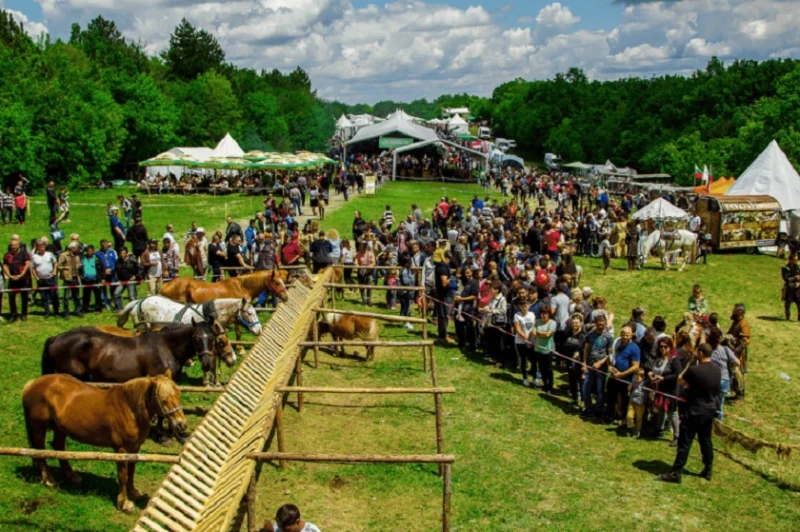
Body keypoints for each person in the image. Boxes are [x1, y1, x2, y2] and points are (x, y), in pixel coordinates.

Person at [659, 343, 720, 483]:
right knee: (705, 440)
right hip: (709, 410)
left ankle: (676, 472)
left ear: (701, 353)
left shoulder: (694, 370)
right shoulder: (718, 369)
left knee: (685, 442)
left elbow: (680, 379)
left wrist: (690, 363)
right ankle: (708, 469)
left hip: (693, 410)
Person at [650, 336, 682, 446]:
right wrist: (651, 374)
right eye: (660, 346)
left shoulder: (674, 360)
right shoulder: (659, 359)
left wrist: (664, 378)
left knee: (671, 413)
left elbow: (677, 374)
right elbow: (655, 370)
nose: (662, 349)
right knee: (660, 410)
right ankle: (659, 429)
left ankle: (677, 436)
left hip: (671, 390)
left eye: (665, 347)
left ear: (670, 347)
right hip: (660, 389)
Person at [606, 325, 640, 423]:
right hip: (613, 376)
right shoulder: (616, 343)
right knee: (610, 396)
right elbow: (609, 356)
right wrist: (609, 366)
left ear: (631, 336)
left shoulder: (634, 348)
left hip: (625, 379)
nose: (625, 337)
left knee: (624, 399)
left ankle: (623, 419)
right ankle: (610, 415)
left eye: (627, 335)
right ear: (620, 334)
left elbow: (635, 366)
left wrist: (622, 374)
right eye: (623, 335)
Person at [582, 314, 614, 419]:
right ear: (595, 324)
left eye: (602, 324)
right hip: (590, 365)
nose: (601, 326)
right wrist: (584, 363)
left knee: (600, 389)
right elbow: (586, 349)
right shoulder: (590, 334)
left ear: (605, 324)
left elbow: (610, 353)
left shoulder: (609, 337)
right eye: (599, 324)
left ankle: (599, 410)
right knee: (586, 387)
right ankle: (588, 408)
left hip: (601, 367)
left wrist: (601, 362)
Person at [708, 328, 740, 420]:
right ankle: (719, 423)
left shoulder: (709, 350)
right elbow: (737, 362)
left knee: (711, 402)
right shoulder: (725, 349)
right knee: (720, 403)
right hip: (725, 380)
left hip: (713, 380)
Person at [3, 235, 32, 321]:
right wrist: (10, 276)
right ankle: (13, 314)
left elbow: (28, 264)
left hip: (23, 279)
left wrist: (21, 274)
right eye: (12, 246)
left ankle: (24, 314)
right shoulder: (7, 255)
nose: (14, 247)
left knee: (24, 297)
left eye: (15, 245)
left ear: (18, 245)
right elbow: (5, 266)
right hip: (12, 279)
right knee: (11, 297)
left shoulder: (24, 254)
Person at [31, 239, 59, 318]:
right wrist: (36, 277)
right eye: (39, 247)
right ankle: (47, 312)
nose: (41, 249)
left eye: (42, 247)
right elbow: (32, 268)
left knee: (54, 296)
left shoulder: (49, 254)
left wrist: (54, 271)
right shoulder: (34, 257)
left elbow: (55, 262)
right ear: (37, 248)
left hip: (50, 278)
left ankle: (56, 312)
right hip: (41, 280)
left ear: (44, 247)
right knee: (44, 297)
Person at [532, 304, 556, 392]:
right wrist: (542, 333)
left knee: (549, 369)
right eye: (542, 313)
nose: (544, 315)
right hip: (538, 349)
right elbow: (533, 333)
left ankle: (550, 386)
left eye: (546, 313)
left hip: (548, 350)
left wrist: (539, 333)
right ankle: (545, 384)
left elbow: (548, 334)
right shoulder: (537, 322)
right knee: (541, 368)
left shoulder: (552, 323)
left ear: (549, 314)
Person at [563, 314, 586, 404]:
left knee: (581, 381)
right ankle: (574, 397)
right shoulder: (568, 332)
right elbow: (564, 345)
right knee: (572, 380)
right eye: (572, 323)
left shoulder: (583, 336)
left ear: (581, 323)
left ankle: (584, 401)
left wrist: (579, 353)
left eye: (576, 323)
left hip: (579, 362)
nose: (574, 325)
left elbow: (586, 349)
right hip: (569, 360)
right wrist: (563, 358)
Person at [454, 267, 479, 350]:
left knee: (470, 327)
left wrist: (462, 299)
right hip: (459, 307)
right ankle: (461, 342)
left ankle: (472, 345)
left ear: (471, 272)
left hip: (469, 308)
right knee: (459, 326)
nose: (467, 275)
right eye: (465, 273)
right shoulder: (463, 282)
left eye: (468, 273)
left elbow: (473, 296)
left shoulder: (474, 282)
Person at [433, 248, 454, 344]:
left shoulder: (441, 266)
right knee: (444, 315)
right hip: (443, 295)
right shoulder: (443, 268)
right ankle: (443, 335)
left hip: (444, 294)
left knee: (444, 315)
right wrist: (452, 279)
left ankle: (443, 334)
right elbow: (444, 283)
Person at [57, 241, 83, 319]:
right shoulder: (63, 255)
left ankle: (78, 311)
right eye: (77, 248)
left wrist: (80, 266)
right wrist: (65, 268)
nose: (78, 249)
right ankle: (66, 313)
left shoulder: (77, 256)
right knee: (66, 297)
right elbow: (58, 266)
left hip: (76, 278)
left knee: (76, 296)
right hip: (68, 279)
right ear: (72, 248)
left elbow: (77, 264)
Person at [727, 303, 750, 375]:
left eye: (735, 310)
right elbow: (730, 333)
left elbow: (745, 340)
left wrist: (737, 349)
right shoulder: (735, 322)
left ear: (740, 311)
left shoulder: (744, 324)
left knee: (737, 371)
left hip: (737, 352)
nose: (733, 311)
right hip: (731, 348)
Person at [80, 245, 104, 313]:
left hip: (95, 280)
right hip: (86, 280)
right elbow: (80, 268)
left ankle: (98, 309)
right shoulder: (83, 258)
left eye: (90, 251)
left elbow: (102, 268)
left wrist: (102, 278)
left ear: (93, 251)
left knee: (97, 295)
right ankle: (85, 308)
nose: (89, 252)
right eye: (88, 251)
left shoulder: (97, 258)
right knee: (86, 295)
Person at [627, 368, 647, 438]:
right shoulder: (633, 383)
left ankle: (638, 430)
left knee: (639, 418)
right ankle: (633, 427)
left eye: (638, 378)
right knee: (629, 416)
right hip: (632, 401)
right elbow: (629, 390)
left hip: (640, 403)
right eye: (635, 377)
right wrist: (629, 389)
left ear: (643, 377)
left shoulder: (645, 384)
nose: (636, 379)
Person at [782, 254, 800, 320]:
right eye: (794, 260)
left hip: (797, 288)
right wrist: (794, 277)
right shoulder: (786, 268)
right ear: (790, 260)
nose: (796, 261)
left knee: (799, 302)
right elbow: (786, 278)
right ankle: (787, 317)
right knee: (788, 303)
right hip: (789, 288)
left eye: (796, 259)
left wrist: (799, 283)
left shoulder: (798, 267)